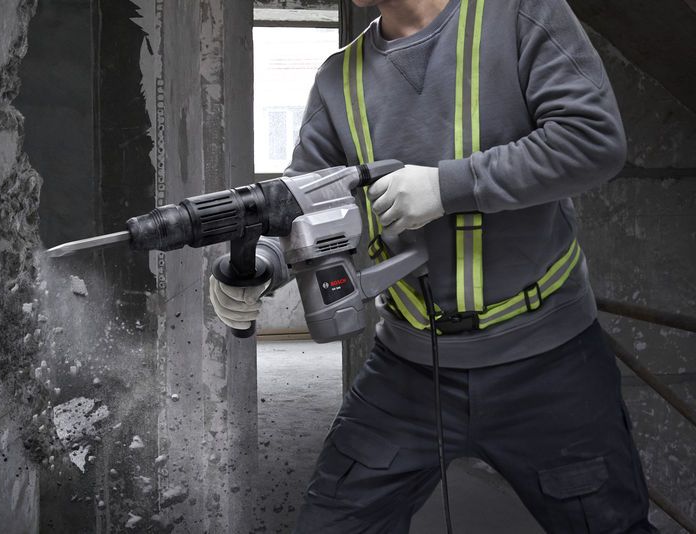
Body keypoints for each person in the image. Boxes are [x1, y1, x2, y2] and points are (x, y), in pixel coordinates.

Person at [210, 0, 658, 532]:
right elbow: (307, 204)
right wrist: (261, 262)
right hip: (408, 369)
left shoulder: (519, 13)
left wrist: (447, 188)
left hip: (549, 361)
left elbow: (593, 141)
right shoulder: (338, 80)